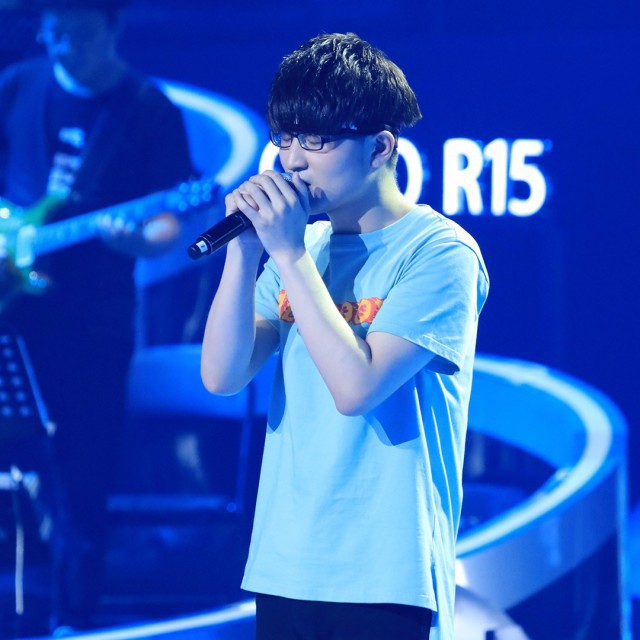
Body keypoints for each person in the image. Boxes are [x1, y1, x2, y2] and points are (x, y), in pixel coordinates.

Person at [200, 32, 490, 640]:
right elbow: (222, 376)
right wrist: (245, 252)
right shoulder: (300, 247)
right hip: (286, 562)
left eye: (317, 140)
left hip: (386, 570)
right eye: (284, 139)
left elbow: (357, 388)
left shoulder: (440, 252)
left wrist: (287, 252)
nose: (293, 161)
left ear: (380, 147)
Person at [0, 0, 196, 631]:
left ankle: (73, 619)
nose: (64, 48)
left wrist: (136, 242)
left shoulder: (148, 110)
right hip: (12, 312)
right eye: (53, 34)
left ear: (114, 28)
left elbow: (169, 219)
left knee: (82, 475)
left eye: (80, 36)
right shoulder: (18, 86)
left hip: (92, 324)